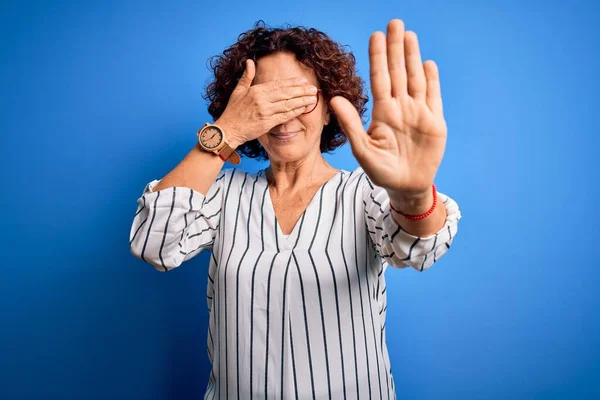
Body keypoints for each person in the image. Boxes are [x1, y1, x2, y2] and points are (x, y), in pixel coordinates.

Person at [129, 19, 462, 399]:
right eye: (266, 100)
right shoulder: (220, 195)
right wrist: (226, 132)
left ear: (328, 109)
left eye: (301, 98)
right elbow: (154, 243)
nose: (284, 116)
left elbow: (420, 248)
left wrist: (414, 194)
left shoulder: (363, 193)